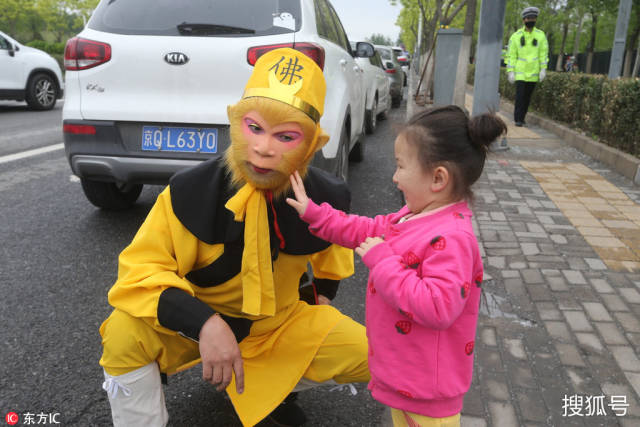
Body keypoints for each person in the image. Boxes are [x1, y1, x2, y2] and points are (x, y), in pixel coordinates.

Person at [98, 48, 369, 427]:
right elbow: (138, 275)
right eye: (254, 128)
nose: (263, 148)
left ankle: (273, 383)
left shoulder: (329, 198)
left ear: (312, 144)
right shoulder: (186, 192)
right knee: (123, 333)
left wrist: (316, 310)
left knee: (380, 354)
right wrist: (206, 324)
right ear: (234, 122)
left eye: (286, 136)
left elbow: (332, 265)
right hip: (196, 327)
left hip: (277, 326)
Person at [287, 105, 507, 427]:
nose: (394, 177)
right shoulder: (412, 216)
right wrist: (314, 213)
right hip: (407, 384)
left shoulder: (453, 237)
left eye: (401, 166)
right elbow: (364, 229)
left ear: (438, 178)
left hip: (426, 400)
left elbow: (438, 306)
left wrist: (383, 263)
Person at [506, 6, 549, 127]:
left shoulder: (540, 35)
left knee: (527, 98)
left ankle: (522, 117)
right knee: (520, 97)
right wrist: (511, 71)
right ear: (524, 20)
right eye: (529, 18)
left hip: (534, 73)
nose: (531, 20)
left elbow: (543, 53)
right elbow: (511, 55)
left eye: (534, 18)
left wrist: (543, 69)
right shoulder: (516, 36)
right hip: (520, 73)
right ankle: (518, 119)